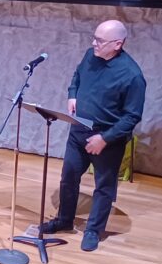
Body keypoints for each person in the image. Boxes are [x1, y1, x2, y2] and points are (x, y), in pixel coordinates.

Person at [39, 19, 146, 252]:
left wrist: (105, 139)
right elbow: (77, 76)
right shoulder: (90, 56)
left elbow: (131, 116)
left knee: (103, 187)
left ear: (117, 44)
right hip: (78, 130)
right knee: (68, 178)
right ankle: (64, 220)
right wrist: (72, 94)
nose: (93, 43)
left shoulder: (132, 75)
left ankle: (94, 230)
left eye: (100, 40)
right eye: (94, 37)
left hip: (107, 139)